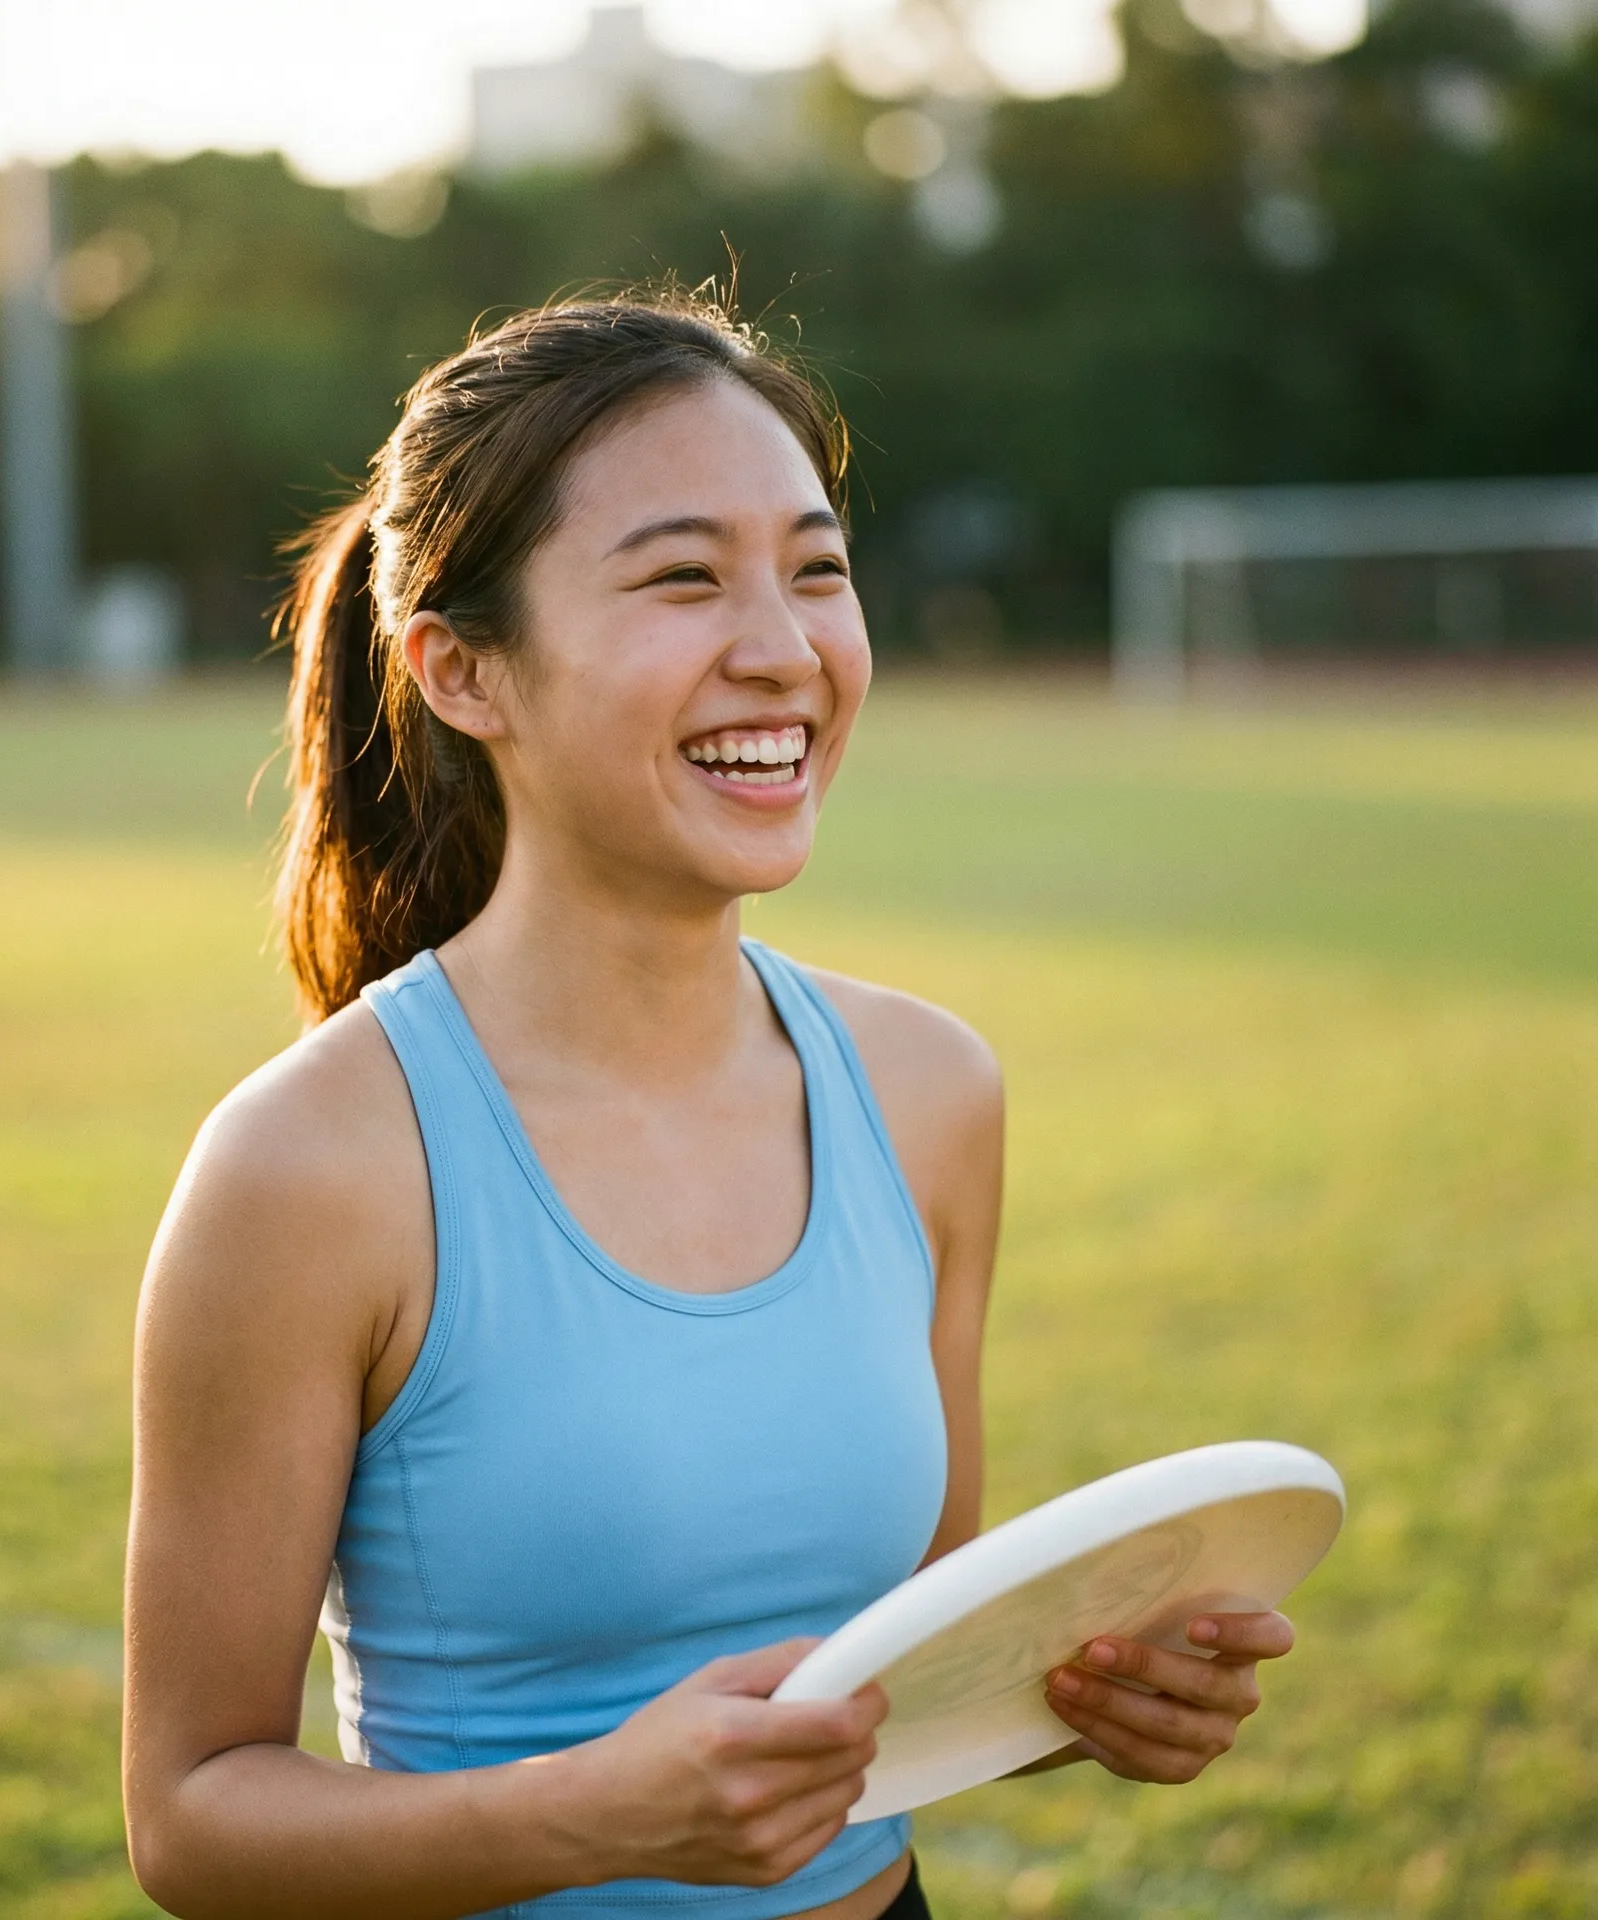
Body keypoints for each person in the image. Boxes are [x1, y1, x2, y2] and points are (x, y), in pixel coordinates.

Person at [121, 291, 1296, 1920]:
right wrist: (590, 1820)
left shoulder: (931, 1090)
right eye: (683, 577)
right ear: (462, 669)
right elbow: (191, 1822)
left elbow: (899, 1670)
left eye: (816, 568)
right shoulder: (311, 1167)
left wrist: (1077, 1695)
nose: (785, 646)